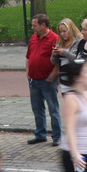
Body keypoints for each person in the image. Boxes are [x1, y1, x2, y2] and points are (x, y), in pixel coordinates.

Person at [26, 14, 61, 145]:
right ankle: (40, 134)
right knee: (37, 109)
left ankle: (57, 136)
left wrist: (51, 77)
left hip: (47, 80)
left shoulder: (55, 39)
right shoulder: (33, 38)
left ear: (43, 25)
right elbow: (28, 57)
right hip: (34, 80)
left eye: (34, 25)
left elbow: (58, 61)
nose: (32, 27)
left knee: (53, 109)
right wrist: (28, 74)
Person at [51, 18, 83, 96]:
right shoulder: (60, 42)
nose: (62, 34)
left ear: (71, 30)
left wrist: (64, 52)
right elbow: (53, 62)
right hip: (64, 79)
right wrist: (54, 55)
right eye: (60, 32)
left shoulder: (79, 42)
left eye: (64, 31)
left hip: (76, 79)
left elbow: (79, 59)